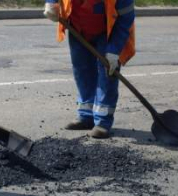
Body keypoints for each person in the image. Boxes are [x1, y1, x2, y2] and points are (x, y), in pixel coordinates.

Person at [44, 0, 135, 138]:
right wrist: (51, 3)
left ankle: (103, 122)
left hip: (108, 32)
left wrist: (114, 50)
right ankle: (86, 116)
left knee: (107, 74)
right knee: (82, 71)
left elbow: (126, 18)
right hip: (77, 27)